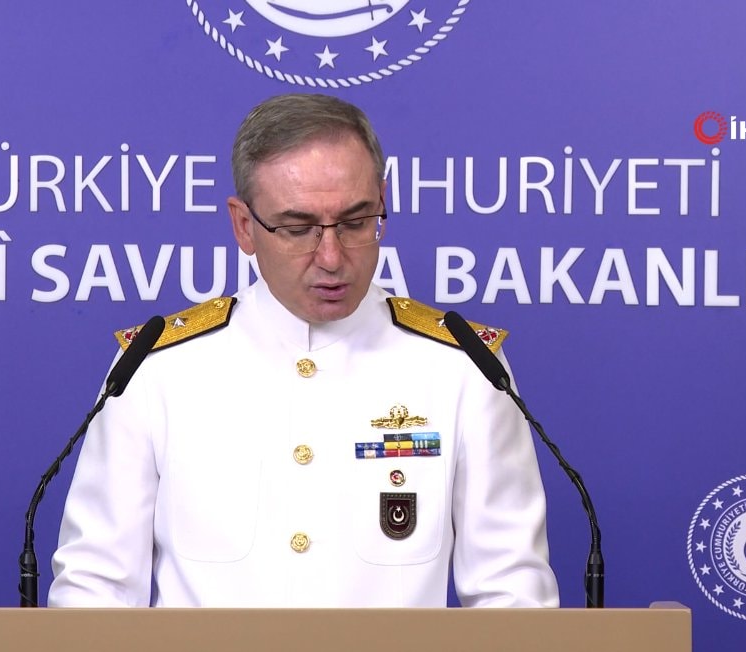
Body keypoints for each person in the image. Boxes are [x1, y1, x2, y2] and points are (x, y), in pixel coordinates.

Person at [48, 93, 559, 608]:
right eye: (298, 229)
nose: (331, 257)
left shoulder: (464, 367)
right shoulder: (155, 370)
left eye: (356, 222)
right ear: (244, 226)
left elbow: (512, 598)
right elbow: (94, 592)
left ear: (383, 201)